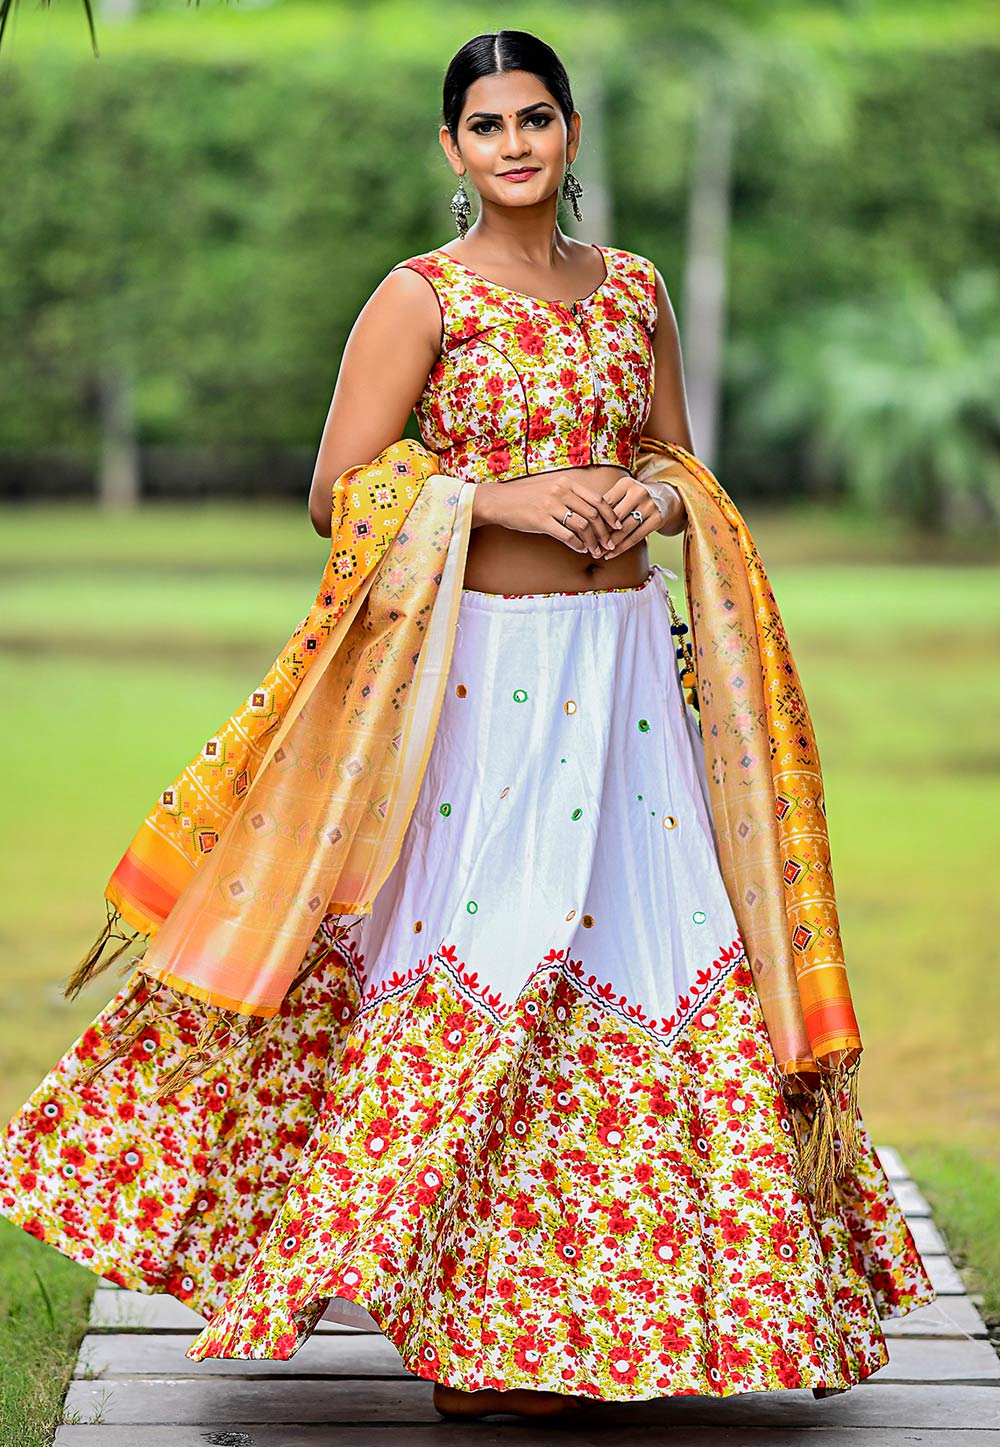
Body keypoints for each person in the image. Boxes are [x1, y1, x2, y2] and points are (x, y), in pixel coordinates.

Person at [0, 27, 935, 1424]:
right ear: (455, 151)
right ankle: (474, 1329)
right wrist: (504, 500)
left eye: (535, 118)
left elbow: (678, 457)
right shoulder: (420, 297)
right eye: (486, 124)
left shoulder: (635, 291)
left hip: (623, 682)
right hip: (487, 685)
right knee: (496, 957)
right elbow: (340, 488)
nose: (513, 143)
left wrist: (651, 504)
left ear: (569, 137)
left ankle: (643, 1323)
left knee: (652, 953)